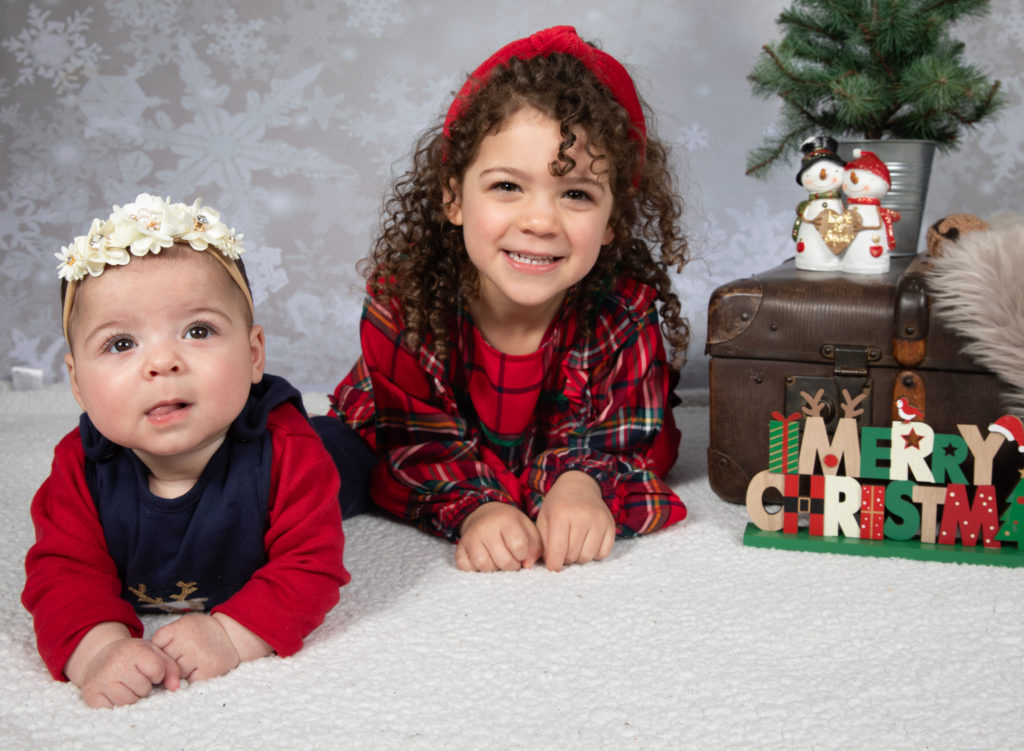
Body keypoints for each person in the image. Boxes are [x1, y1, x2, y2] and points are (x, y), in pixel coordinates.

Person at [329, 26, 690, 573]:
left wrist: (579, 483)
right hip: (417, 432)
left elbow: (628, 438)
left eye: (575, 194)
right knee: (304, 469)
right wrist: (476, 508)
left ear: (612, 219)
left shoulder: (622, 310)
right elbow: (413, 443)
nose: (540, 222)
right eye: (506, 187)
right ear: (453, 198)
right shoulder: (406, 301)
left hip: (567, 445)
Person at [22, 193, 370, 708]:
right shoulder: (80, 467)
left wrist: (231, 635)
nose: (162, 362)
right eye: (121, 344)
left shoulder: (289, 452)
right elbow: (62, 575)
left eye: (198, 331)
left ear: (253, 355)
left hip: (332, 452)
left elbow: (310, 566)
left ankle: (358, 426)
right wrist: (98, 650)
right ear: (76, 383)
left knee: (368, 457)